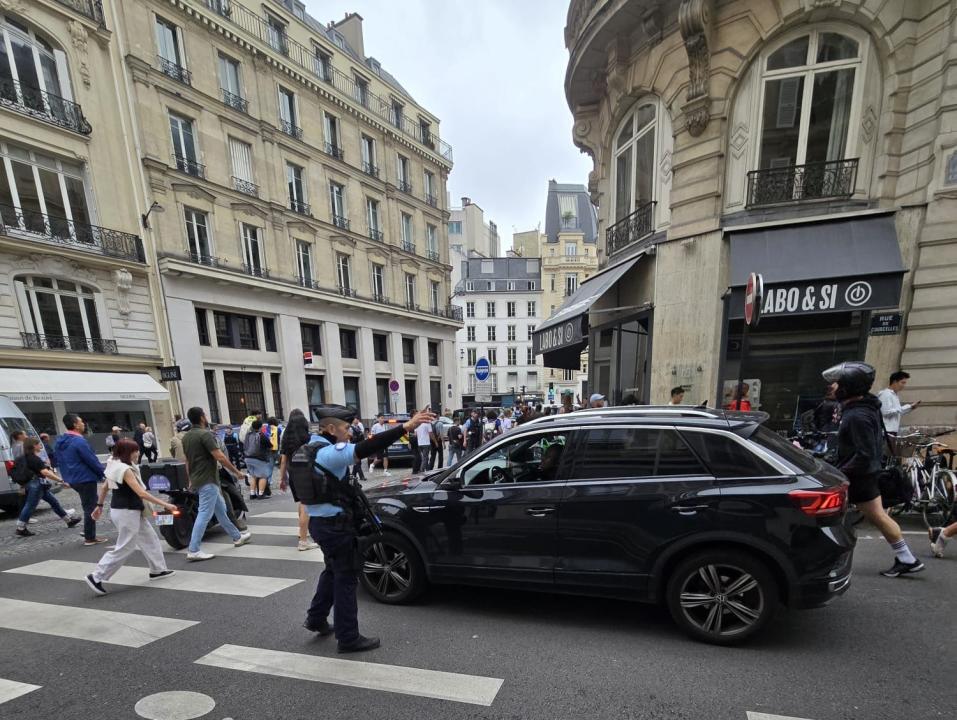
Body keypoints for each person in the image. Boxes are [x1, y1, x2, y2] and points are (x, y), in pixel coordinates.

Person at [296, 404, 435, 653]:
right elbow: (366, 448)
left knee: (332, 570)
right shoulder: (329, 453)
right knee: (346, 578)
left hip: (321, 524)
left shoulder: (309, 447)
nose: (350, 433)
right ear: (330, 428)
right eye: (346, 428)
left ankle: (316, 618)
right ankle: (348, 637)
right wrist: (405, 427)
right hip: (336, 527)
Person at [822, 361, 923, 577]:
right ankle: (907, 558)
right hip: (863, 474)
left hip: (859, 477)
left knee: (833, 516)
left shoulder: (857, 416)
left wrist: (839, 472)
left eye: (837, 384)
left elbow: (864, 454)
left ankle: (828, 559)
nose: (833, 387)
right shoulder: (863, 409)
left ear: (848, 387)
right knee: (876, 516)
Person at [84, 439, 178, 595]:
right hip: (127, 511)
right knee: (125, 546)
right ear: (128, 452)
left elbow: (105, 487)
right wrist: (166, 505)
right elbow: (140, 493)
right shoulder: (125, 469)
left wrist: (99, 506)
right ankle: (96, 576)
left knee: (150, 538)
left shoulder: (114, 464)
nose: (138, 453)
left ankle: (158, 570)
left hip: (126, 510)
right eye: (136, 450)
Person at [181, 406, 251, 561]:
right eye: (205, 415)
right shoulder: (205, 435)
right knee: (204, 513)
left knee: (221, 509)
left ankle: (237, 537)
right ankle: (193, 549)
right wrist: (236, 472)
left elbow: (187, 461)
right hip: (208, 479)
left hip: (199, 479)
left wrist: (190, 479)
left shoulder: (186, 437)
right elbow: (219, 456)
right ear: (202, 417)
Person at [55, 414, 107, 546]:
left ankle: (88, 531)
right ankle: (89, 537)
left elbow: (60, 461)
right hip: (85, 477)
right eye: (81, 422)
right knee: (91, 506)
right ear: (75, 425)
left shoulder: (61, 441)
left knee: (87, 505)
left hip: (72, 478)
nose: (84, 424)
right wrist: (103, 473)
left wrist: (66, 477)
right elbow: (91, 460)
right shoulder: (79, 441)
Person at [13, 437, 80, 537]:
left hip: (35, 484)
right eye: (38, 444)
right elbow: (44, 472)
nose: (41, 446)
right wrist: (61, 480)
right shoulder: (34, 458)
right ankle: (20, 528)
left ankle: (68, 520)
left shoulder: (25, 457)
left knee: (54, 502)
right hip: (36, 485)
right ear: (33, 446)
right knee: (30, 506)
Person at [278, 409, 319, 552]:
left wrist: (282, 478)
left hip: (291, 470)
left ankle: (303, 531)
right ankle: (303, 541)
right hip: (304, 471)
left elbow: (283, 460)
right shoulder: (306, 438)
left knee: (301, 502)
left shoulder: (286, 437)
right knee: (306, 503)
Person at [244, 419, 272, 500]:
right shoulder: (261, 435)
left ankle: (252, 494)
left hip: (248, 457)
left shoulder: (248, 434)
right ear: (260, 427)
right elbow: (269, 445)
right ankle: (261, 494)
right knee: (263, 475)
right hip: (259, 458)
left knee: (253, 475)